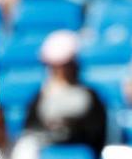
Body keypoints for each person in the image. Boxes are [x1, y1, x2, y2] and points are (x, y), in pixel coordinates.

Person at [11, 30, 106, 159]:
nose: (60, 71)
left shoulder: (90, 96)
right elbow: (29, 129)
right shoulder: (40, 95)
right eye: (55, 67)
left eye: (65, 66)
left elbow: (96, 135)